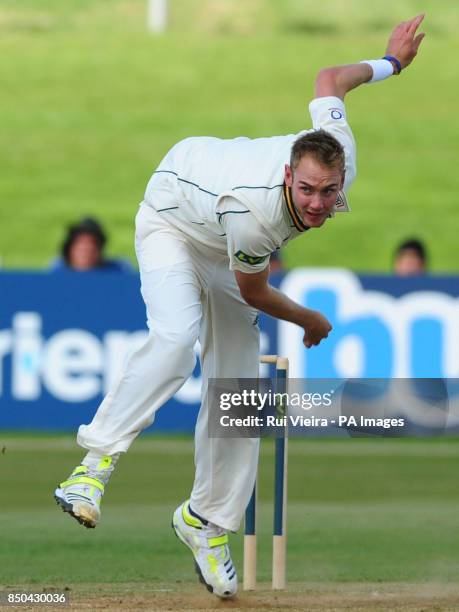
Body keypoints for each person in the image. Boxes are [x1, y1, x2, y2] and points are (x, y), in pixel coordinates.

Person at [54, 15, 425, 599]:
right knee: (177, 343)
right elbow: (253, 290)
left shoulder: (336, 154)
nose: (319, 205)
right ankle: (93, 467)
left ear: (340, 173)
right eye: (306, 191)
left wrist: (392, 64)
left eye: (329, 192)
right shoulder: (258, 214)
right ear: (288, 177)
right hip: (174, 221)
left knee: (239, 392)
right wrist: (310, 319)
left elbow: (330, 78)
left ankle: (204, 523)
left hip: (223, 232)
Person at [50, 217, 132, 272]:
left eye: (92, 247)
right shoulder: (57, 272)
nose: (86, 252)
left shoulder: (117, 270)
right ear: (70, 250)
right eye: (81, 248)